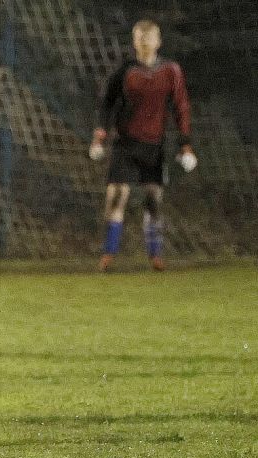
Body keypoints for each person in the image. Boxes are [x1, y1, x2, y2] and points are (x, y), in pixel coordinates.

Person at [89, 19, 197, 272]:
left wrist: (185, 144)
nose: (145, 42)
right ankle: (108, 254)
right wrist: (100, 135)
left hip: (154, 145)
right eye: (140, 38)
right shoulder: (125, 72)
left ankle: (155, 256)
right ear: (135, 42)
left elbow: (181, 107)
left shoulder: (171, 71)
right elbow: (107, 104)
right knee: (116, 196)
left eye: (149, 38)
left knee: (153, 199)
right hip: (125, 144)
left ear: (158, 42)